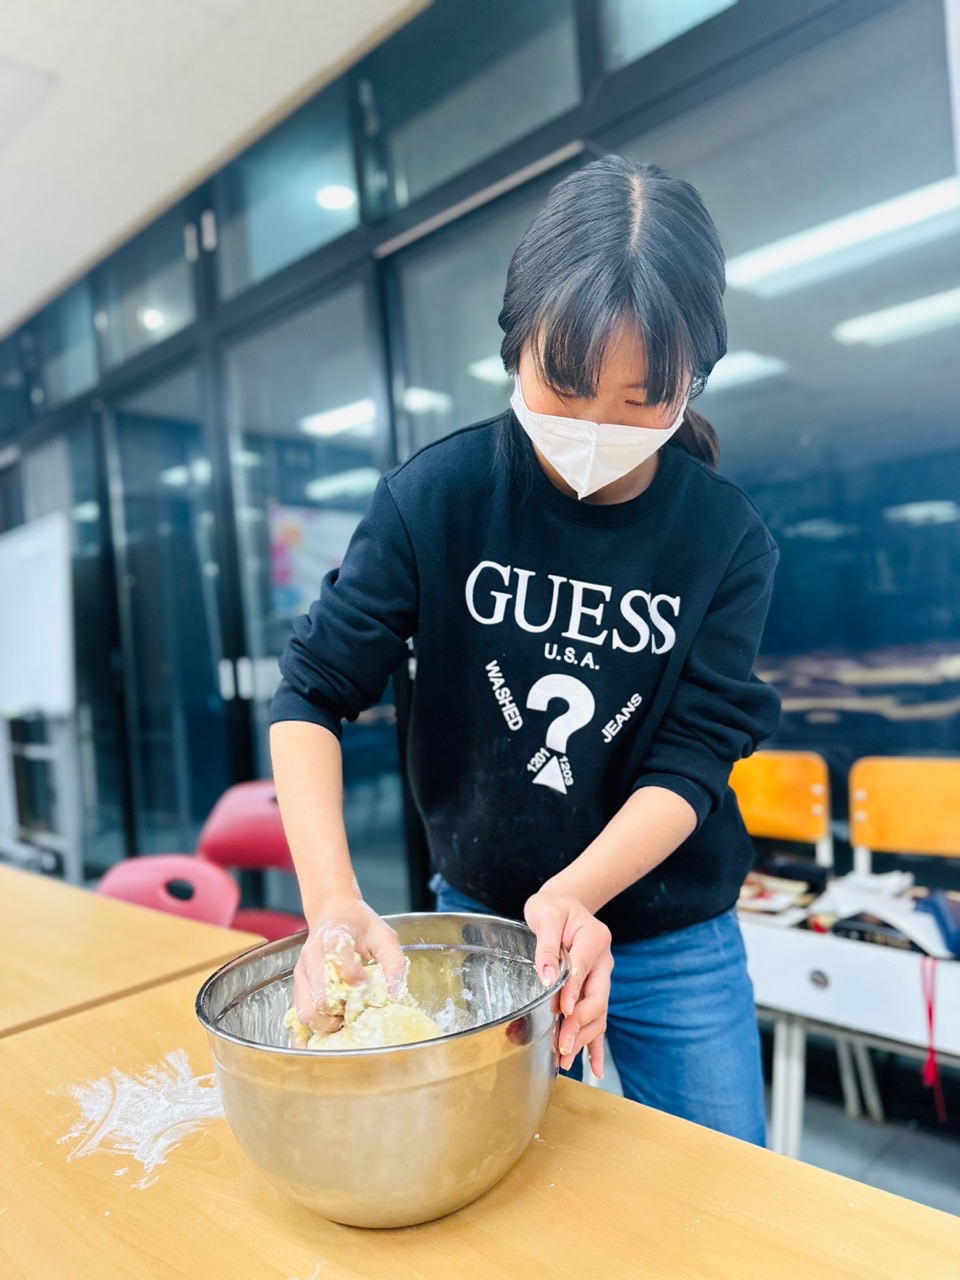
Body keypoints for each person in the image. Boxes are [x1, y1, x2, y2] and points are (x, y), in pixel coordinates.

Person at [269, 156, 779, 1144]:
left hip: (674, 932)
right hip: (482, 919)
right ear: (515, 343)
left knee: (722, 1182)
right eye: (566, 383)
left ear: (693, 380)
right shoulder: (438, 499)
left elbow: (695, 753)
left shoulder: (725, 539)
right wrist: (332, 901)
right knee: (495, 1168)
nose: (593, 427)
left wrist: (580, 892)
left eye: (640, 398)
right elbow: (311, 694)